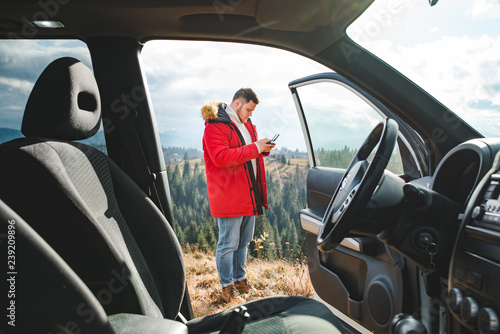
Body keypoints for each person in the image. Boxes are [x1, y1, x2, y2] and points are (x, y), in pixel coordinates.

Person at [202, 88, 275, 303]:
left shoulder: (247, 124)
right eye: (249, 110)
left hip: (248, 193)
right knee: (228, 243)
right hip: (228, 195)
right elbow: (221, 157)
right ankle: (226, 287)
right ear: (237, 104)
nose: (250, 115)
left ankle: (239, 279)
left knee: (243, 241)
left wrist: (263, 148)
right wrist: (255, 147)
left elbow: (249, 152)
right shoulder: (216, 125)